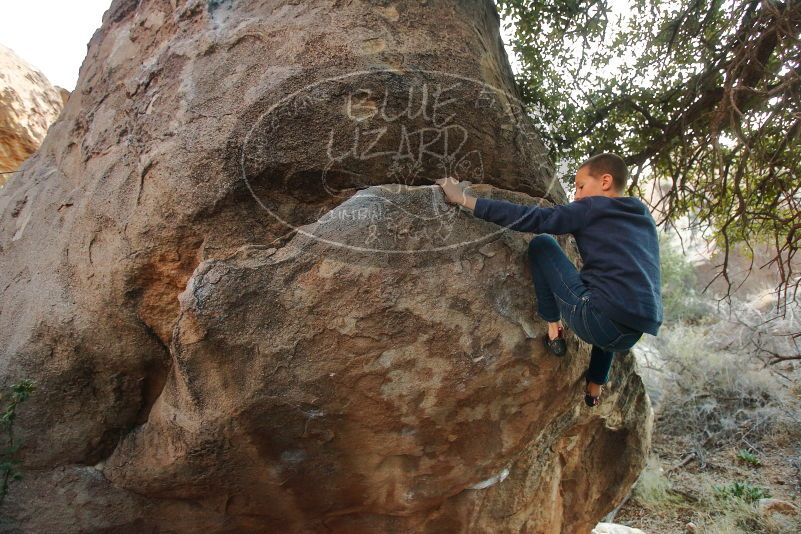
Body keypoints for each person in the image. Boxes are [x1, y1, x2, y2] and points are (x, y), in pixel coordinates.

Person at [435, 153, 662, 407]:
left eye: (580, 186)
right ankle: (594, 387)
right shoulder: (641, 215)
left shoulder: (590, 207)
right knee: (610, 297)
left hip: (597, 321)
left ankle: (554, 330)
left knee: (542, 244)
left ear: (605, 182)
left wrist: (463, 198)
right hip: (634, 331)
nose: (576, 195)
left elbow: (535, 218)